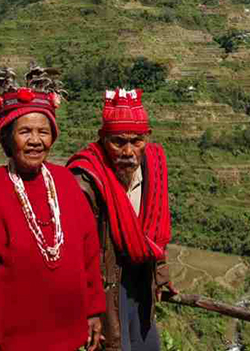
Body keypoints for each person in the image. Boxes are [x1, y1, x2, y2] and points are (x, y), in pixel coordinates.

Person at [0, 61, 105, 351]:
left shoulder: (65, 182)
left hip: (69, 332)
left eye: (43, 132)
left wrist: (93, 310)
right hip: (15, 340)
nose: (35, 141)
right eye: (25, 132)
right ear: (8, 138)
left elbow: (89, 250)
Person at [68, 88, 177, 351]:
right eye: (118, 142)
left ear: (146, 139)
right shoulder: (86, 181)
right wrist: (89, 309)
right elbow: (79, 253)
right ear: (103, 139)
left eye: (136, 141)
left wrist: (160, 274)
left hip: (140, 278)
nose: (128, 151)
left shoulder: (154, 166)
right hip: (107, 284)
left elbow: (155, 229)